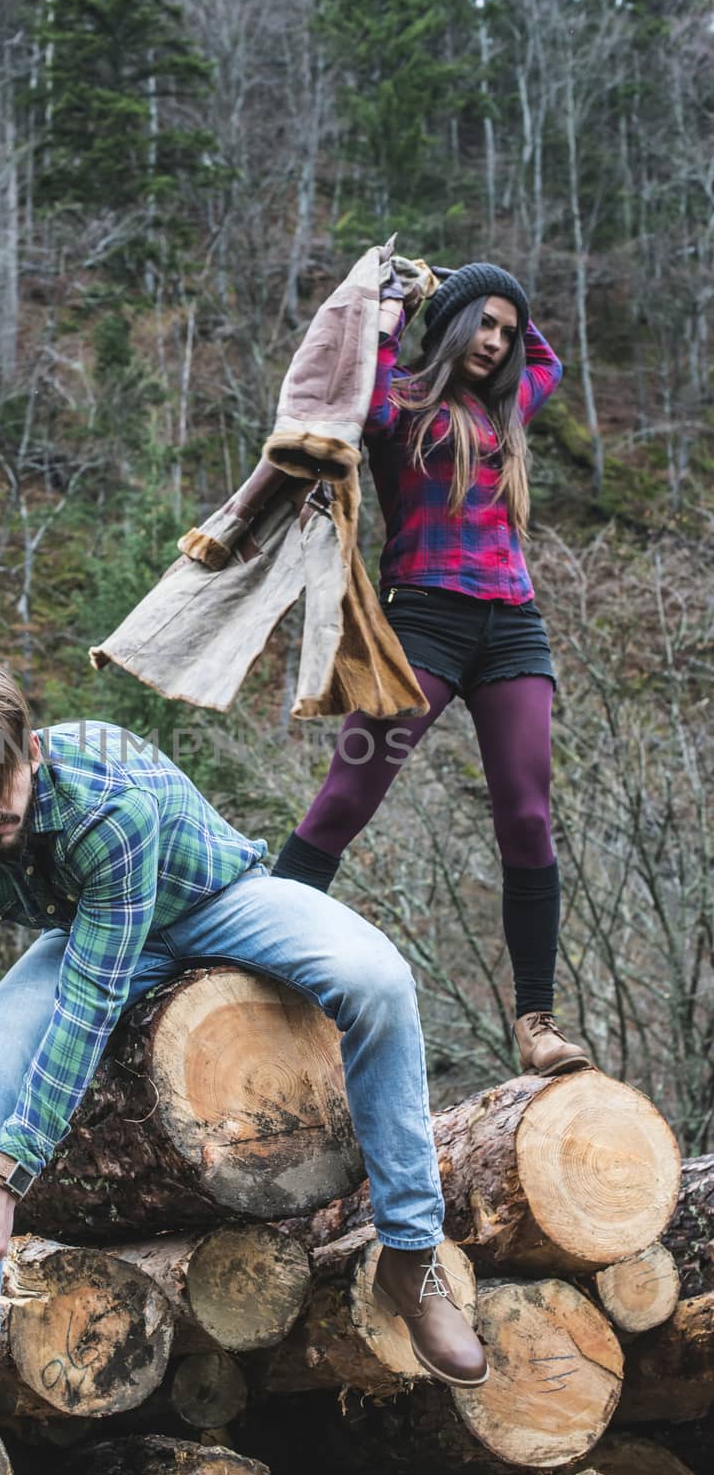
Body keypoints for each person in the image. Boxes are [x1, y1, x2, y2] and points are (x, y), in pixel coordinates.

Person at [0, 661, 487, 1392]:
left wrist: (2, 1182)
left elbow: (87, 1007)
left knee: (378, 979)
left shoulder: (108, 806)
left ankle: (411, 1254)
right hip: (93, 931)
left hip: (216, 900)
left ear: (33, 752)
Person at [273, 262, 590, 1080]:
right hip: (422, 625)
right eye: (481, 324)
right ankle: (257, 959)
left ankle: (536, 1021)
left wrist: (482, 286)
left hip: (512, 628)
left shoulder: (508, 407)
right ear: (449, 327)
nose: (496, 342)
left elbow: (548, 361)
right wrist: (398, 305)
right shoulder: (402, 400)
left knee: (527, 818)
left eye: (506, 331)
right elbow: (364, 396)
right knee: (346, 799)